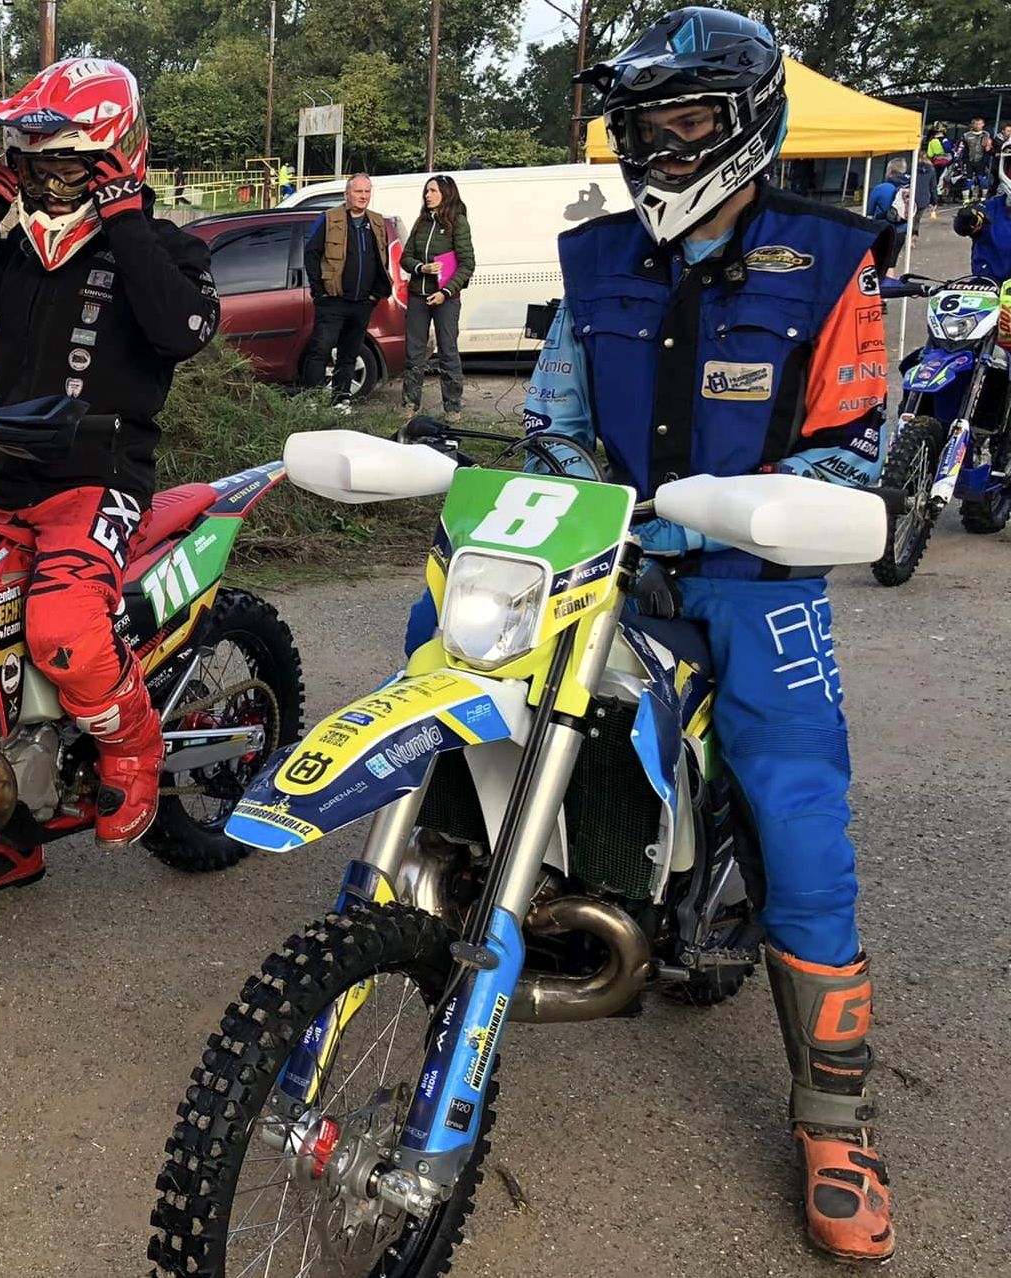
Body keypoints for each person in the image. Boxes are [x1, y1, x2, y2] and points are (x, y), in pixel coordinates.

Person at [516, 9, 897, 1260]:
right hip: (613, 564)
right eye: (643, 126)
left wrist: (724, 512)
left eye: (685, 123)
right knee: (460, 660)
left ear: (745, 125)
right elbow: (555, 423)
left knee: (799, 812)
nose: (660, 148)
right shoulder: (593, 261)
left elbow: (859, 447)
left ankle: (835, 1122)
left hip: (757, 576)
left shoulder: (834, 257)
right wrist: (582, 504)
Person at [0, 57, 219, 904]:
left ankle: (134, 747)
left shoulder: (168, 249)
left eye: (66, 168)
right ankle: (9, 836)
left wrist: (124, 219)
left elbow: (181, 331)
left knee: (63, 631)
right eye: (30, 166)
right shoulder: (18, 253)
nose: (45, 184)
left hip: (101, 481)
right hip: (11, 485)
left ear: (116, 160)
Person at [299, 173, 395, 409]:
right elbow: (311, 255)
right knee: (320, 350)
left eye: (367, 192)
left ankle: (341, 399)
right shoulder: (328, 219)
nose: (363, 196)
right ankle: (313, 399)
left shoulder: (377, 222)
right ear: (347, 194)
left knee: (349, 353)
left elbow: (382, 260)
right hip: (333, 301)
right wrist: (319, 292)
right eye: (358, 191)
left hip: (363, 302)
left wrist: (374, 296)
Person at [400, 174, 475, 422]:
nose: (427, 195)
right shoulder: (421, 222)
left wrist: (445, 292)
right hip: (418, 296)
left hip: (446, 298)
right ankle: (410, 403)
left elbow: (467, 264)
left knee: (448, 351)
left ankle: (452, 407)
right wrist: (421, 267)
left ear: (446, 193)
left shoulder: (458, 222)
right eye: (426, 191)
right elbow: (405, 257)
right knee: (414, 352)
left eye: (432, 191)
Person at [865, 158, 911, 229]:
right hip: (905, 229)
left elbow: (869, 215)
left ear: (890, 172)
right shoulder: (911, 187)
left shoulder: (879, 188)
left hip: (884, 229)